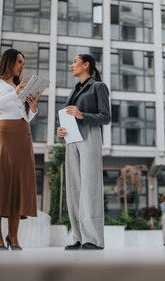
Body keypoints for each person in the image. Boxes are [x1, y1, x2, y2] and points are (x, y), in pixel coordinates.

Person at [0, 48, 39, 251]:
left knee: (18, 185)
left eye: (23, 62)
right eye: (19, 62)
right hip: (3, 132)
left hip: (23, 134)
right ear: (9, 62)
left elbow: (23, 115)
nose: (22, 66)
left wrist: (33, 109)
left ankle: (13, 238)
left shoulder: (18, 86)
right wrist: (14, 94)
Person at [56, 54, 110, 250]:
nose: (71, 65)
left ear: (86, 65)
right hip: (71, 139)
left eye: (75, 62)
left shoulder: (98, 87)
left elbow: (106, 117)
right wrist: (60, 131)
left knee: (90, 187)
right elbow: (67, 117)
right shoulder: (73, 91)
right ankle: (79, 237)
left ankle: (94, 239)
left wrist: (82, 115)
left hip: (89, 134)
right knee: (74, 188)